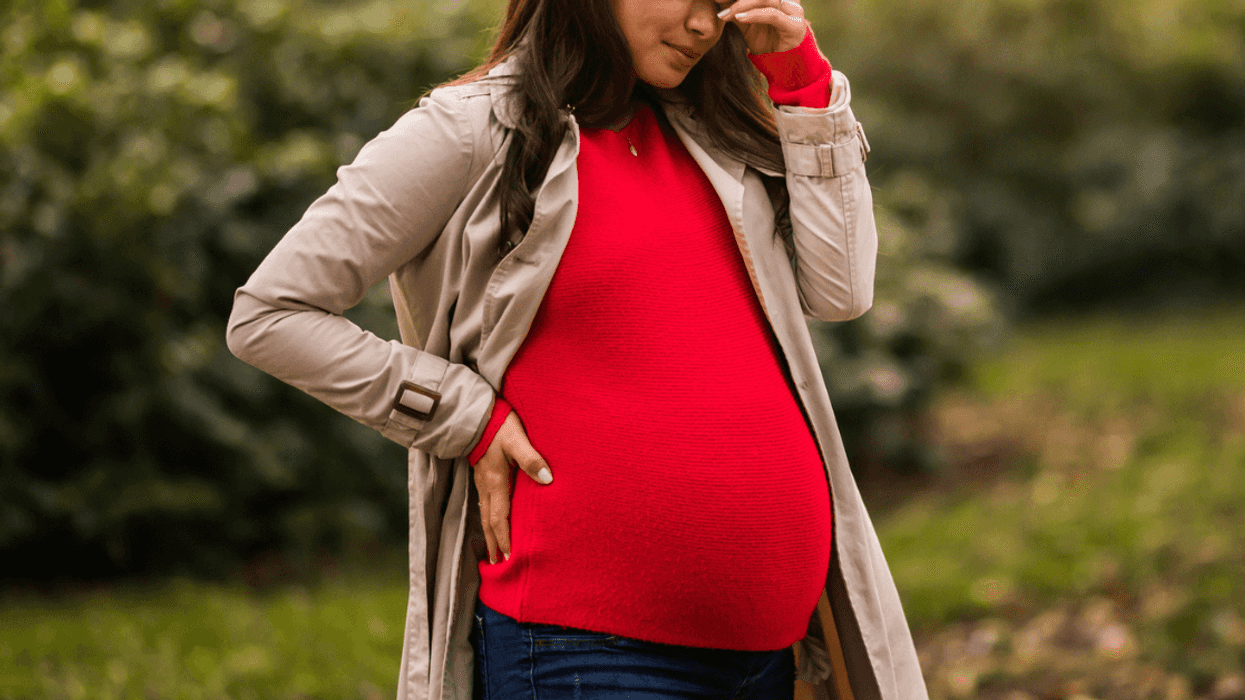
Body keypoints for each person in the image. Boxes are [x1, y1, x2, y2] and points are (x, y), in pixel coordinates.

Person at [227, 0, 928, 697]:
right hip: (582, 651)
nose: (705, 26)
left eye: (720, 4)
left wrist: (798, 77)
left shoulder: (713, 133)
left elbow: (840, 290)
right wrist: (465, 417)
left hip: (762, 654)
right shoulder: (472, 127)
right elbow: (271, 312)